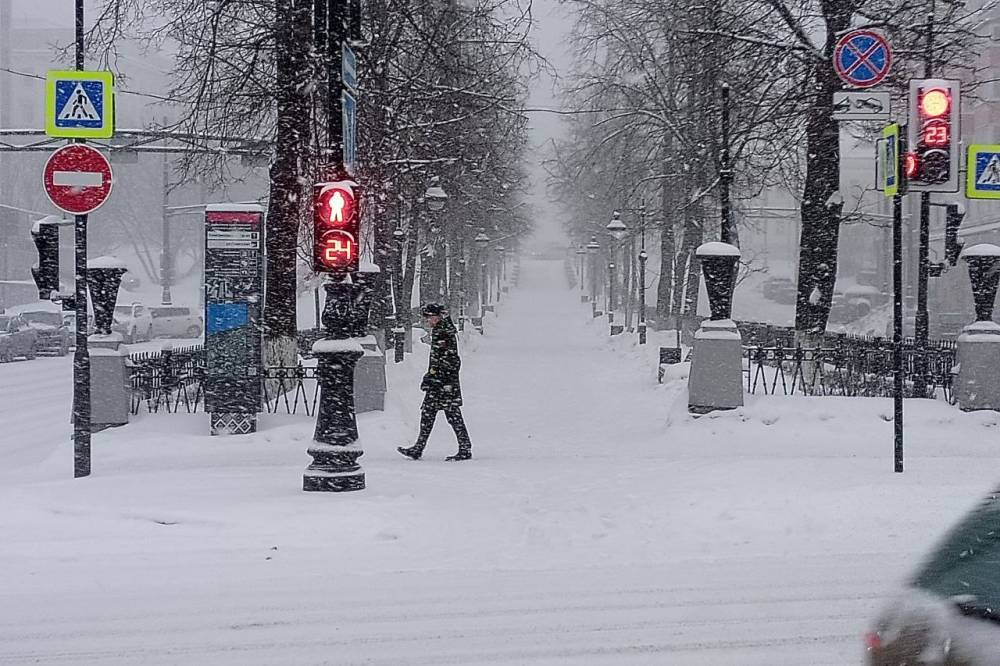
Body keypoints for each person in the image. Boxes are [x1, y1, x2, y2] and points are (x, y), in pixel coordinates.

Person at [398, 303, 472, 461]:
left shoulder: (443, 332)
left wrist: (434, 376)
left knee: (450, 415)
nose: (427, 321)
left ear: (437, 316)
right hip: (441, 383)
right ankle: (419, 448)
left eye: (429, 317)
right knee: (430, 414)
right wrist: (431, 376)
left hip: (444, 384)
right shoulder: (442, 330)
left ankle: (465, 448)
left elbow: (449, 360)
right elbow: (441, 359)